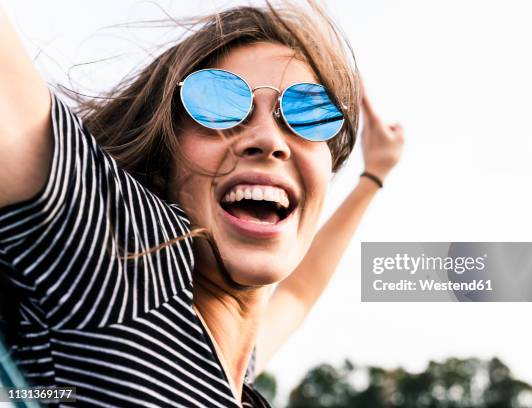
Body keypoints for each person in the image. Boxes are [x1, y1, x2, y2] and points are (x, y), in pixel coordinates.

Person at [0, 2, 404, 407]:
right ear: (166, 163)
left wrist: (374, 176)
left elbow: (296, 297)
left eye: (306, 112)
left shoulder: (232, 368)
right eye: (217, 104)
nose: (269, 139)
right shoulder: (129, 272)